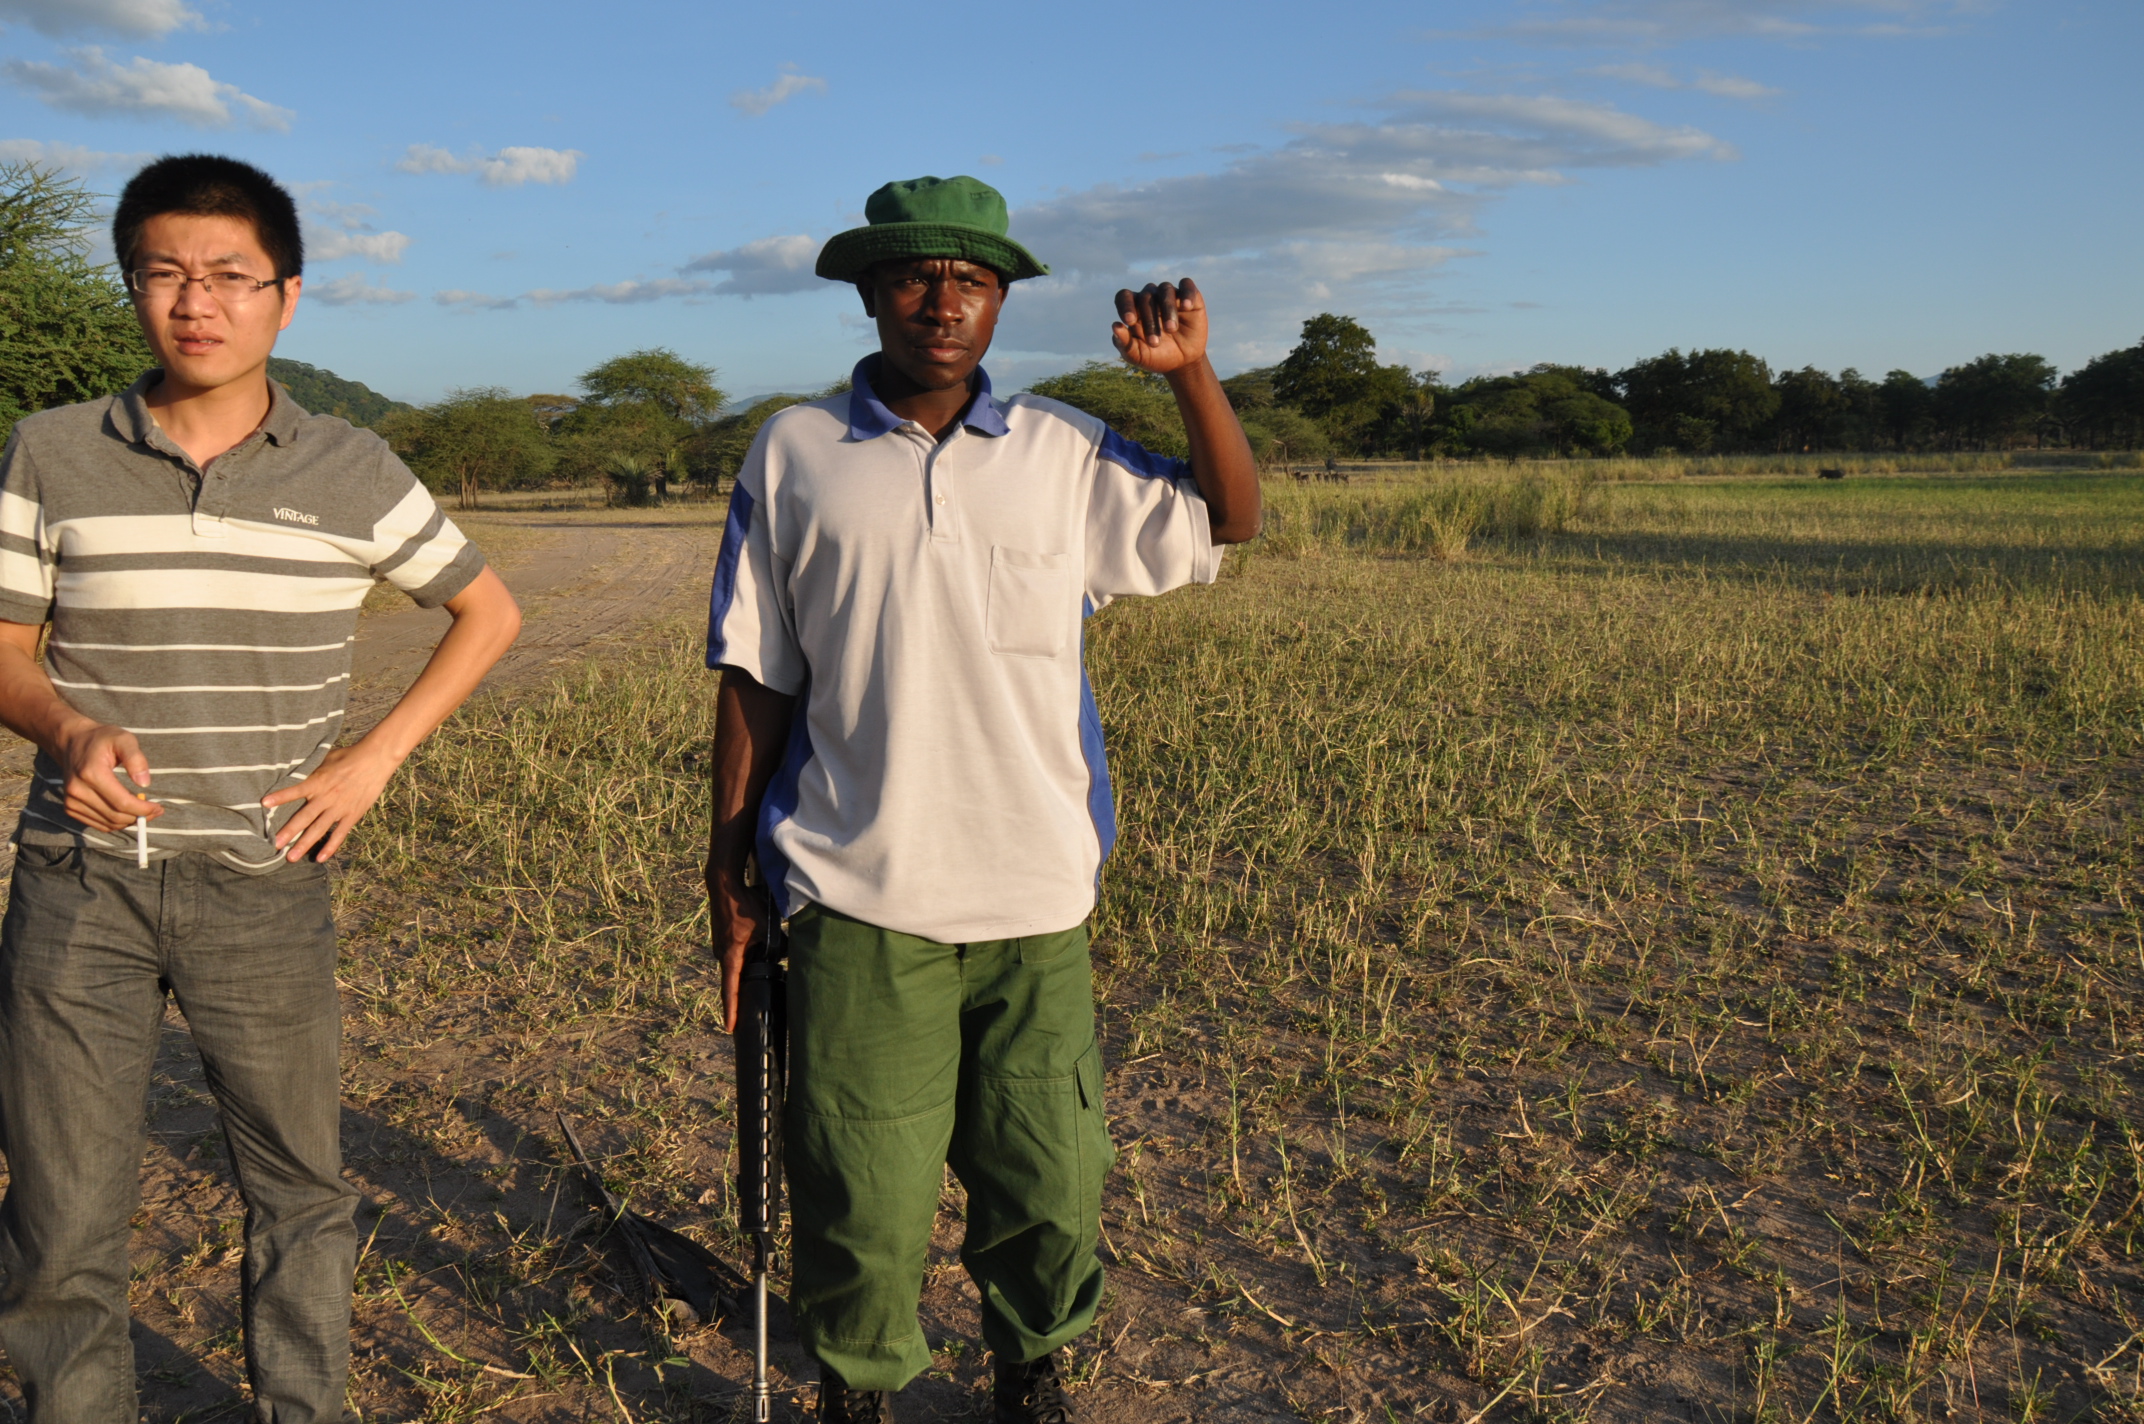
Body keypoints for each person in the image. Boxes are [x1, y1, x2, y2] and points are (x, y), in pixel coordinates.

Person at [704, 175, 1259, 1424]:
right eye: (913, 275)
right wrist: (725, 864)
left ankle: (1031, 1364)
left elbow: (1229, 517)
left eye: (971, 280)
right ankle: (856, 1384)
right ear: (867, 291)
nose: (941, 300)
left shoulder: (1062, 449)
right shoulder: (792, 452)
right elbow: (753, 672)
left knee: (1050, 1172)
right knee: (859, 1178)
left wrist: (1190, 375)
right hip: (857, 889)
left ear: (1000, 301)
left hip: (1035, 890)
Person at [0, 154, 521, 1423]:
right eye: (164, 272)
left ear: (286, 296)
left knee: (300, 1188)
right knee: (62, 1217)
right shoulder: (54, 449)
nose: (196, 301)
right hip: (81, 887)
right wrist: (67, 727)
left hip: (267, 881)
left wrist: (372, 758)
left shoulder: (351, 464)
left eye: (229, 275)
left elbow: (487, 609)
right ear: (132, 290)